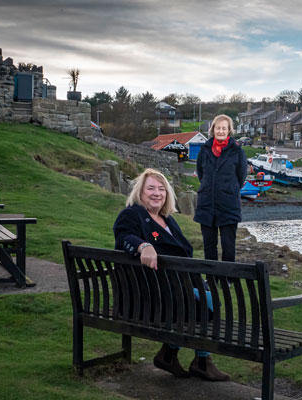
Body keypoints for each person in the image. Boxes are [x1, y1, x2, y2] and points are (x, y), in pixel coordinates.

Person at [113, 168, 229, 381]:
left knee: (206, 296)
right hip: (149, 296)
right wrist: (144, 245)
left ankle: (172, 354)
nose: (157, 193)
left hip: (170, 290)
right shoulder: (132, 214)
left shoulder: (167, 220)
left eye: (161, 189)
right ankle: (200, 361)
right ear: (140, 192)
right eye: (151, 188)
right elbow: (123, 237)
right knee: (207, 303)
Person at [194, 114, 248, 262]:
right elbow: (201, 173)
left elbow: (241, 176)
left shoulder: (238, 152)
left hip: (228, 205)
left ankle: (227, 279)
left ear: (229, 130)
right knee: (209, 246)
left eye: (224, 128)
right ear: (213, 130)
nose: (221, 131)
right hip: (206, 204)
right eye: (218, 128)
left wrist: (226, 189)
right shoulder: (204, 151)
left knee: (228, 245)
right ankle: (211, 279)